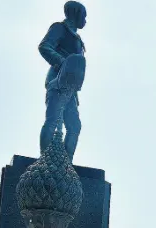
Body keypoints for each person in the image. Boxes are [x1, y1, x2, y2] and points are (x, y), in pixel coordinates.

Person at [39, 1, 87, 160]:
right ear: (75, 14)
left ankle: (66, 164)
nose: (85, 20)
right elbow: (44, 46)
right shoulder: (60, 28)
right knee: (53, 121)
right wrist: (63, 63)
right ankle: (45, 161)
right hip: (57, 81)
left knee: (74, 126)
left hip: (71, 87)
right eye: (84, 16)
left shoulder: (77, 38)